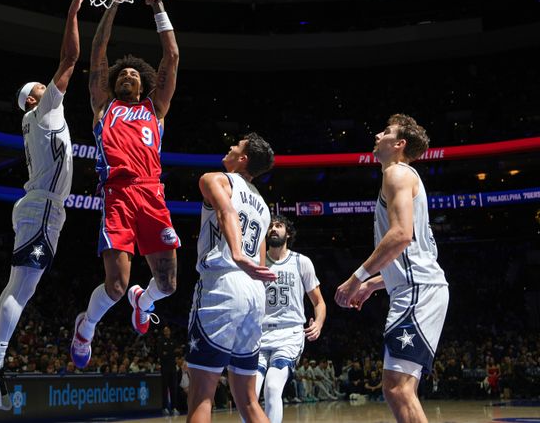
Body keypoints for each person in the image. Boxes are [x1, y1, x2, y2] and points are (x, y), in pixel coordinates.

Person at [0, 0, 84, 409]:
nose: (48, 85)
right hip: (41, 209)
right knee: (21, 287)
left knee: (22, 287)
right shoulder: (44, 111)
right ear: (33, 98)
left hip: (41, 209)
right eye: (42, 85)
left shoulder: (36, 121)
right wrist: (72, 11)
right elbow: (70, 60)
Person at [71, 0, 181, 367]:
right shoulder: (103, 106)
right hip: (118, 196)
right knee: (115, 286)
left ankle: (143, 299)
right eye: (123, 74)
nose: (128, 75)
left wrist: (157, 6)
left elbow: (171, 58)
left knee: (167, 285)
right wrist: (114, 3)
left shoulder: (156, 109)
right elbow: (98, 52)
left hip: (152, 196)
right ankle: (86, 327)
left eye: (135, 74)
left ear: (144, 81)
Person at [335, 114, 449, 423]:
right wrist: (373, 284)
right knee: (399, 388)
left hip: (417, 291)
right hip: (416, 287)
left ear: (399, 144)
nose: (377, 135)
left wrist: (355, 279)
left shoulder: (397, 173)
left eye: (385, 132)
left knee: (397, 389)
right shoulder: (402, 176)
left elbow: (401, 236)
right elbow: (415, 255)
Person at [184, 134, 277, 423]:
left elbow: (227, 212)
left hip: (224, 282)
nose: (230, 147)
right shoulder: (263, 206)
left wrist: (236, 252)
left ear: (244, 158)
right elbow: (260, 263)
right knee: (248, 401)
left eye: (236, 145)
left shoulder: (217, 179)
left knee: (201, 394)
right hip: (253, 293)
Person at [253, 214, 327, 422]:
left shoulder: (301, 262)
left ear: (288, 233)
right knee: (248, 392)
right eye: (270, 227)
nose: (273, 229)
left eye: (279, 226)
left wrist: (318, 323)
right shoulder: (255, 262)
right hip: (258, 333)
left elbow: (319, 302)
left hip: (289, 332)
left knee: (273, 386)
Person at [158, 326, 179, 416]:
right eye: (165, 330)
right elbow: (161, 354)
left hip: (172, 368)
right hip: (165, 368)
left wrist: (168, 352)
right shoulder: (161, 341)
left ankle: (174, 408)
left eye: (168, 330)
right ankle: (165, 408)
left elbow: (177, 352)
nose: (167, 331)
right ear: (163, 332)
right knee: (165, 388)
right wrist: (171, 352)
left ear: (170, 331)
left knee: (173, 387)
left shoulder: (173, 341)